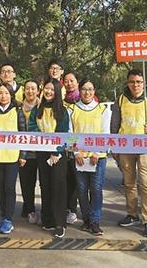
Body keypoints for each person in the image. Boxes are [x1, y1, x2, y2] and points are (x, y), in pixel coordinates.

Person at [110, 69, 147, 238]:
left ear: (144, 83)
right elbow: (114, 126)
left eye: (139, 82)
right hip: (125, 148)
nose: (136, 85)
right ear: (127, 83)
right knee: (129, 183)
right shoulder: (120, 100)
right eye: (132, 82)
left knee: (145, 183)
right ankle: (132, 214)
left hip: (145, 148)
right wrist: (115, 148)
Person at [28, 78, 70, 238]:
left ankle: (60, 223)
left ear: (57, 92)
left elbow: (63, 132)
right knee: (45, 185)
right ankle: (47, 219)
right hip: (42, 153)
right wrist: (42, 141)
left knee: (58, 186)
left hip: (58, 154)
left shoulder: (62, 111)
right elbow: (32, 126)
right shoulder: (37, 109)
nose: (49, 92)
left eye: (52, 89)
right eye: (47, 88)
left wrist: (56, 151)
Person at [0, 83, 26, 234]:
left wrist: (23, 155)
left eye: (6, 93)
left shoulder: (17, 111)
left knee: (9, 187)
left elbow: (23, 133)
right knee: (1, 188)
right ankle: (4, 215)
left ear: (11, 95)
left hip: (12, 156)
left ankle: (8, 219)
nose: (3, 96)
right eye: (1, 93)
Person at [71, 78, 110, 236]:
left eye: (90, 89)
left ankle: (95, 221)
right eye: (84, 89)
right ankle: (86, 219)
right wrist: (76, 152)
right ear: (79, 91)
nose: (87, 92)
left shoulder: (103, 110)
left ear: (94, 91)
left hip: (97, 157)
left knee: (96, 189)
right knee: (81, 189)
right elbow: (70, 133)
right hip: (80, 157)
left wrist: (97, 152)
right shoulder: (72, 109)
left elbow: (105, 133)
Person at [18, 80, 40, 224]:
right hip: (25, 153)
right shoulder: (18, 108)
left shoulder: (43, 107)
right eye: (27, 88)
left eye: (33, 88)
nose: (30, 91)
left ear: (38, 91)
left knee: (44, 183)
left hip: (41, 151)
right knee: (27, 183)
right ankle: (30, 209)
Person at [60, 69, 79, 226]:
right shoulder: (61, 102)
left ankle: (73, 208)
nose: (69, 83)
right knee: (65, 179)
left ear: (77, 82)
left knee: (76, 180)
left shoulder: (84, 100)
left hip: (80, 148)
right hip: (64, 147)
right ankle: (66, 208)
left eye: (71, 80)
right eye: (66, 81)